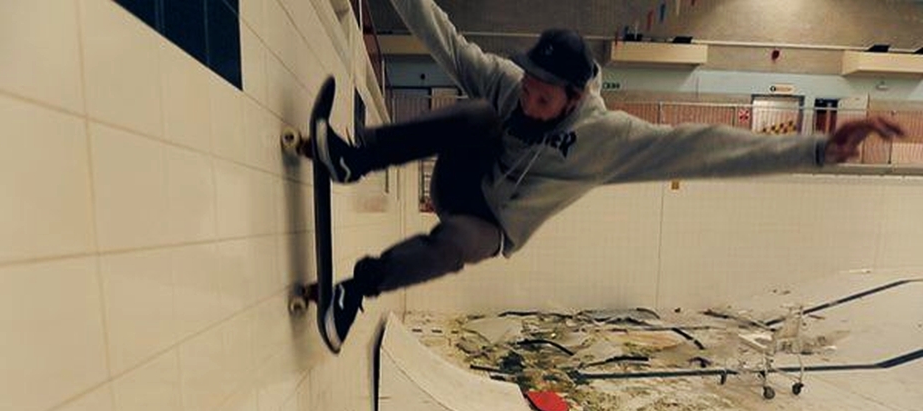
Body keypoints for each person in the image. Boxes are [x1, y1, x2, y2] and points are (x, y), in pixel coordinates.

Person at [307, 0, 906, 353]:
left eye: (542, 99)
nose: (529, 102)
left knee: (460, 243)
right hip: (462, 178)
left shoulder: (605, 140)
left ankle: (353, 294)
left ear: (573, 97)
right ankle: (351, 158)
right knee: (478, 109)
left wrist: (819, 152)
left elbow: (703, 147)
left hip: (489, 221)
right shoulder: (511, 88)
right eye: (529, 90)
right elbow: (445, 38)